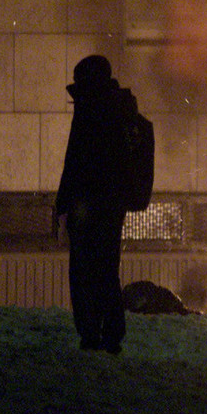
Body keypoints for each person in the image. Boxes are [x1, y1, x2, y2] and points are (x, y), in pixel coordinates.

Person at [56, 55, 136, 354]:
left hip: (86, 204)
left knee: (83, 270)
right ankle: (112, 333)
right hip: (112, 205)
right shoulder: (119, 107)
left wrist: (63, 202)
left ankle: (90, 332)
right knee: (107, 269)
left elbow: (75, 160)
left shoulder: (90, 108)